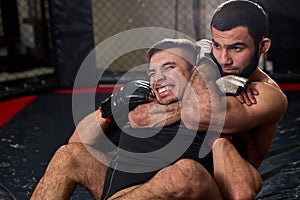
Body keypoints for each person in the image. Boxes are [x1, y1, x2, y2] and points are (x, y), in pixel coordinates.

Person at [31, 0, 288, 199]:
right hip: (134, 182)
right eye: (217, 46)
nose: (224, 59)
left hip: (210, 183)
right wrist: (114, 105)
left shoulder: (266, 94)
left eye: (237, 48)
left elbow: (199, 114)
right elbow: (81, 141)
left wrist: (205, 67)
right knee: (68, 155)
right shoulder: (191, 79)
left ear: (263, 46)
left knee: (181, 175)